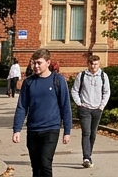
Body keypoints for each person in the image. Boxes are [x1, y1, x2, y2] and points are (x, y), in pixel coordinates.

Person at [12, 49, 73, 177]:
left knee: (45, 163)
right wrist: (17, 129)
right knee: (36, 166)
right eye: (33, 63)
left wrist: (67, 131)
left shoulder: (58, 80)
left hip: (51, 129)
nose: (36, 66)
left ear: (48, 62)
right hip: (33, 130)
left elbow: (65, 106)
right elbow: (22, 106)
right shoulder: (29, 82)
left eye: (39, 63)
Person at [72, 54, 111, 168]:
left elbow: (106, 92)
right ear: (88, 64)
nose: (94, 66)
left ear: (99, 64)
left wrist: (102, 105)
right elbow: (74, 90)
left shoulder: (103, 76)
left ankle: (89, 154)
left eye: (96, 64)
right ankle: (86, 157)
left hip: (97, 109)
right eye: (92, 64)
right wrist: (79, 103)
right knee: (86, 132)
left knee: (93, 134)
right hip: (85, 109)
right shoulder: (82, 75)